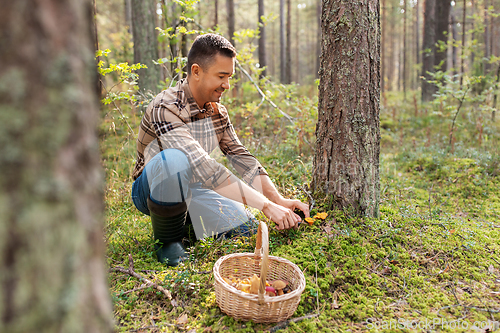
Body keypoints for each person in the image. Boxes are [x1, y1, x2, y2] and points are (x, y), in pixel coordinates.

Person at [131, 33, 309, 266]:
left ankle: (187, 221)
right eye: (221, 76)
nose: (227, 84)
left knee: (246, 230)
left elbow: (241, 157)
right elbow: (203, 166)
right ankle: (169, 242)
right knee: (173, 160)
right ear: (196, 71)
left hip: (196, 187)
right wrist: (266, 206)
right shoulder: (166, 107)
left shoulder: (218, 111)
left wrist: (278, 199)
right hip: (153, 189)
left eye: (229, 77)